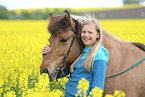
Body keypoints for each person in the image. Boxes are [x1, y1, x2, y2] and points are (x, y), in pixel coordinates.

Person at [42, 17, 109, 97]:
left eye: (90, 33)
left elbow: (98, 88)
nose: (86, 35)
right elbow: (62, 74)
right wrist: (47, 55)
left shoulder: (99, 56)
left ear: (98, 35)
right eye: (83, 32)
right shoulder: (80, 53)